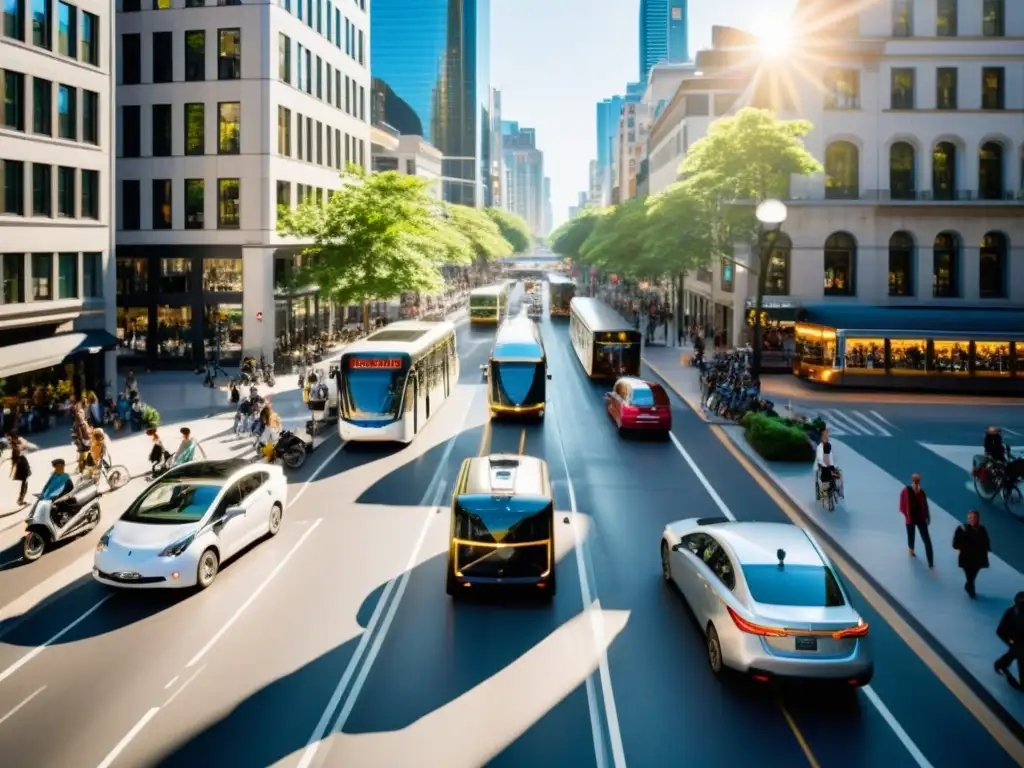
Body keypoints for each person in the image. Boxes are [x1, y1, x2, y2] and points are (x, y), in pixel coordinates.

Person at [953, 510, 991, 598]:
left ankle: (969, 586)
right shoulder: (961, 529)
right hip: (966, 557)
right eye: (970, 518)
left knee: (973, 574)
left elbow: (986, 540)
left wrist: (987, 548)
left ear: (978, 518)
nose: (972, 519)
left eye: (974, 517)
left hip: (978, 558)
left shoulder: (982, 529)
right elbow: (955, 544)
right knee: (969, 575)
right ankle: (970, 588)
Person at [899, 473, 934, 568]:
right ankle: (911, 550)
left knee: (926, 539)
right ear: (912, 481)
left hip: (921, 518)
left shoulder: (922, 492)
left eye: (917, 481)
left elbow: (925, 506)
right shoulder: (905, 491)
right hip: (910, 518)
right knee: (911, 536)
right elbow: (901, 506)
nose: (916, 483)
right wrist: (906, 515)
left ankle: (930, 562)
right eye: (915, 481)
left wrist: (927, 517)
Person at [996, 592, 1024, 689]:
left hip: (1018, 641)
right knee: (1019, 652)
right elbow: (1001, 631)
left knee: (1016, 652)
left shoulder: (1014, 611)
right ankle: (1001, 665)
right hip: (1016, 640)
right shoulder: (1012, 613)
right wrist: (1011, 642)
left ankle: (1001, 664)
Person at [815, 428, 842, 500]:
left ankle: (832, 490)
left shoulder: (822, 450)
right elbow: (830, 467)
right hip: (827, 474)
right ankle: (837, 491)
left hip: (824, 473)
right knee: (838, 474)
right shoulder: (824, 452)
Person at [8, 434, 33, 507]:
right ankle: (20, 500)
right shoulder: (16, 447)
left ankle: (21, 499)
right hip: (22, 464)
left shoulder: (15, 447)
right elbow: (23, 446)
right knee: (25, 482)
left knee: (25, 482)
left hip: (22, 463)